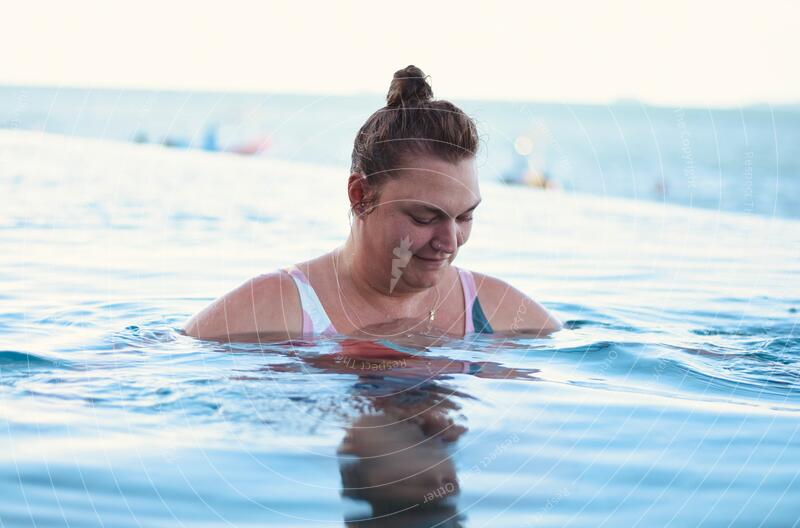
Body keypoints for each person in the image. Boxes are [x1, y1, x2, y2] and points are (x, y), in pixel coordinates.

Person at [184, 65, 561, 341]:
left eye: (465, 216)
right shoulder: (273, 309)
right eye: (424, 216)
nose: (450, 242)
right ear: (360, 197)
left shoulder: (497, 312)